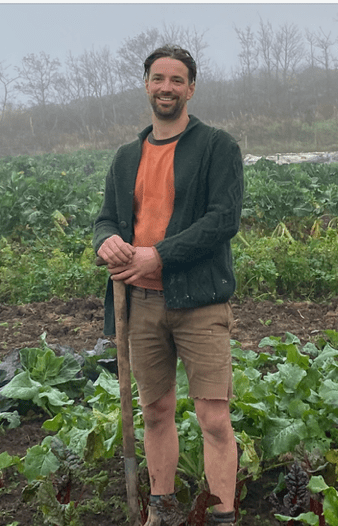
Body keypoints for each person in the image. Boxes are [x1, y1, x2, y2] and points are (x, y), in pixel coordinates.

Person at [93, 45, 243, 526]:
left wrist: (159, 253)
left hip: (199, 302)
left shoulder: (218, 147)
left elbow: (223, 220)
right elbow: (106, 221)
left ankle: (222, 515)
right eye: (159, 78)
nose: (166, 88)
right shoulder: (126, 156)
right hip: (140, 304)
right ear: (146, 85)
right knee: (156, 413)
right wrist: (108, 241)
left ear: (191, 89)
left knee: (214, 419)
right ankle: (163, 512)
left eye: (177, 80)